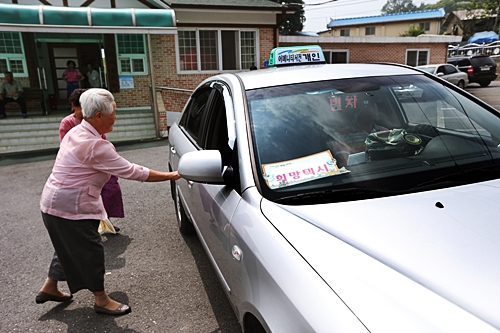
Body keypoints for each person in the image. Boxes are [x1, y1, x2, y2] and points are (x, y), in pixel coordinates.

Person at [37, 88, 181, 316]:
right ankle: (101, 299)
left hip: (53, 205)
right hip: (70, 207)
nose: (116, 116)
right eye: (114, 112)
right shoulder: (95, 146)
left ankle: (50, 286)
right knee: (91, 251)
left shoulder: (77, 132)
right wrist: (171, 175)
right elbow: (134, 171)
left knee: (69, 245)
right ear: (98, 117)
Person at [59, 88, 125, 232]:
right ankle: (92, 224)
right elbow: (68, 146)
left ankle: (106, 220)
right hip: (83, 165)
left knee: (110, 189)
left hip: (99, 160)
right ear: (74, 107)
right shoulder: (69, 124)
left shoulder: (93, 121)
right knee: (87, 196)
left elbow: (102, 141)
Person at [333, 101, 388, 167]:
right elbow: (344, 164)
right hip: (359, 175)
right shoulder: (342, 135)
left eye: (372, 107)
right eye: (364, 107)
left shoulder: (384, 132)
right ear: (355, 112)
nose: (369, 111)